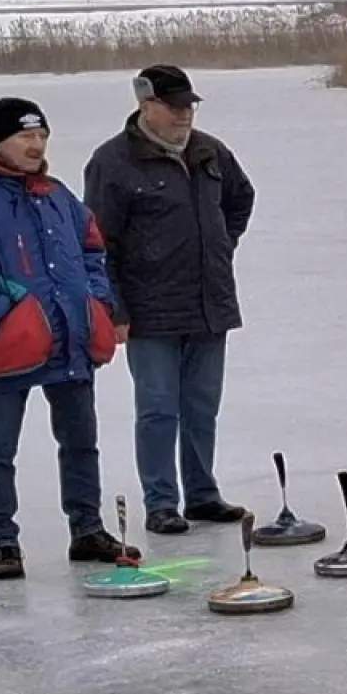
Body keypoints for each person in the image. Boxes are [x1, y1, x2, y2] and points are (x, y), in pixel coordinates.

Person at [0, 98, 139, 580]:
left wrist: (97, 306)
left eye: (41, 135)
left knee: (82, 443)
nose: (35, 144)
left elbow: (93, 253)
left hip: (72, 342)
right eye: (25, 136)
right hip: (9, 348)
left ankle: (86, 529)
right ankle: (2, 540)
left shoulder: (60, 196)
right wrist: (6, 319)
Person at [83, 65, 256, 534]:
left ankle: (202, 495)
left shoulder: (210, 152)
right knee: (159, 408)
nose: (184, 113)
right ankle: (161, 502)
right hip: (150, 311)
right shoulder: (113, 163)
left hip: (209, 303)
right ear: (146, 105)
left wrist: (220, 244)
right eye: (174, 105)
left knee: (202, 405)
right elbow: (99, 244)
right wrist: (114, 309)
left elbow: (241, 199)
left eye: (189, 105)